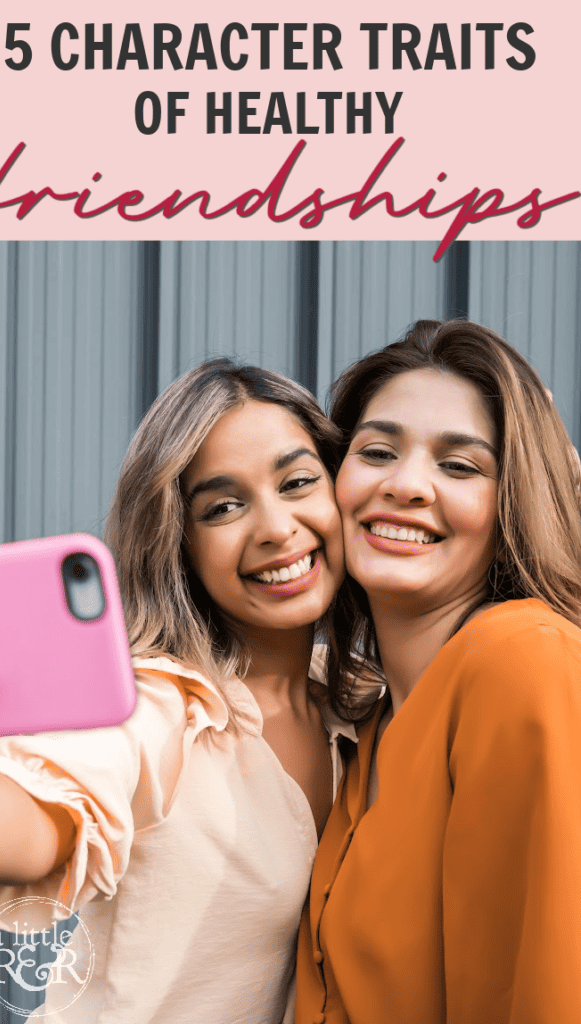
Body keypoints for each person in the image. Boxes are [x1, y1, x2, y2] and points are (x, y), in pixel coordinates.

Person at [0, 358, 353, 1024]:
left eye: (297, 481)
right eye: (223, 506)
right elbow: (34, 829)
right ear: (180, 542)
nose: (276, 527)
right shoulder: (156, 706)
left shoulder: (363, 704)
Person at [297, 319, 581, 1024]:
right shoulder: (369, 718)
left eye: (460, 467)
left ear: (514, 500)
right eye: (378, 451)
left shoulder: (520, 658)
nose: (407, 485)